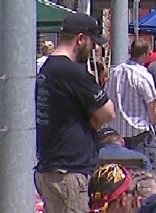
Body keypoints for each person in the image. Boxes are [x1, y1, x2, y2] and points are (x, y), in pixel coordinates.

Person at [35, 13, 116, 213]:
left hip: (52, 167)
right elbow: (108, 113)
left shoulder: (48, 68)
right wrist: (94, 119)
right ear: (81, 39)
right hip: (69, 172)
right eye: (92, 43)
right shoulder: (72, 72)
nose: (93, 49)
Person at [105, 38, 156, 165]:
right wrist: (153, 125)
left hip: (117, 131)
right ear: (144, 54)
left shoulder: (115, 72)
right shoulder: (143, 75)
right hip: (139, 131)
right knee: (142, 169)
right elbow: (152, 105)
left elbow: (106, 97)